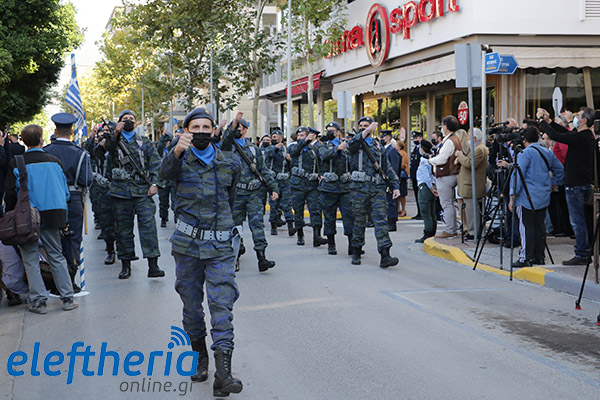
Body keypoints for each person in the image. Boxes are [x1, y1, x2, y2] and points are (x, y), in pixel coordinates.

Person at [159, 107, 243, 397]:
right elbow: (163, 176)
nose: (201, 132)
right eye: (195, 128)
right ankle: (200, 357)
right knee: (192, 306)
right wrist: (176, 151)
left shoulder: (229, 161)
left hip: (220, 246)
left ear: (213, 130)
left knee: (222, 306)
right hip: (187, 246)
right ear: (186, 131)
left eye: (206, 127)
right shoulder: (179, 158)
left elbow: (231, 199)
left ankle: (224, 373)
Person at [5, 124, 78, 314]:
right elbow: (65, 193)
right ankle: (67, 297)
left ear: (23, 141)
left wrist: (11, 216)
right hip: (54, 213)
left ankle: (39, 302)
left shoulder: (17, 163)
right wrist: (65, 217)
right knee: (56, 256)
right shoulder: (54, 162)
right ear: (41, 140)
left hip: (28, 217)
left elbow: (11, 194)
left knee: (30, 258)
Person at [102, 109, 164, 279]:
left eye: (131, 118)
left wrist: (155, 184)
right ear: (119, 122)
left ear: (136, 123)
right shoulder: (114, 140)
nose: (129, 120)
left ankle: (153, 266)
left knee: (149, 228)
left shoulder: (144, 142)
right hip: (121, 193)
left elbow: (156, 164)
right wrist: (115, 132)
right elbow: (108, 147)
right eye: (125, 119)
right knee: (123, 230)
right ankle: (126, 265)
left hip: (143, 191)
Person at [538, 107, 595, 265]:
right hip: (582, 184)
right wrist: (549, 121)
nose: (575, 117)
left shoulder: (581, 137)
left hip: (575, 186)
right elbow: (564, 133)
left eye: (578, 116)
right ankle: (587, 250)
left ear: (584, 120)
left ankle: (582, 253)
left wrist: (542, 121)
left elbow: (557, 136)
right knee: (585, 221)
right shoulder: (585, 136)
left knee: (578, 222)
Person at [221, 116, 279, 272]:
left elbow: (263, 170)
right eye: (234, 127)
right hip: (235, 194)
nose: (236, 129)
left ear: (245, 130)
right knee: (235, 226)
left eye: (239, 127)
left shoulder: (253, 148)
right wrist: (230, 126)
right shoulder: (227, 146)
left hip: (253, 193)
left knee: (257, 225)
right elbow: (226, 138)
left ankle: (262, 258)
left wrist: (273, 188)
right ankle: (236, 256)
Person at [43, 113, 93, 289]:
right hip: (73, 199)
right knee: (72, 239)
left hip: (49, 200)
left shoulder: (45, 152)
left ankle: (55, 279)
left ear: (55, 131)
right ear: (72, 132)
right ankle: (70, 280)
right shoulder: (81, 154)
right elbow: (86, 180)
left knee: (52, 239)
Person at [347, 117, 401, 267]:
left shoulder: (378, 145)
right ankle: (356, 251)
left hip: (377, 188)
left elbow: (386, 167)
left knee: (381, 221)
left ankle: (385, 255)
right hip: (359, 189)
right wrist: (366, 131)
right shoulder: (355, 143)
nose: (363, 128)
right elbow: (350, 145)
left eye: (366, 125)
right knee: (358, 221)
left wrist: (395, 185)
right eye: (361, 126)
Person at [509, 127, 564, 267]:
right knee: (540, 226)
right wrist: (553, 183)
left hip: (526, 196)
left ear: (524, 140)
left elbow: (518, 176)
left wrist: (512, 195)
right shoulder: (547, 152)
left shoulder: (525, 153)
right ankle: (539, 256)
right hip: (543, 195)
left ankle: (525, 257)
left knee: (526, 227)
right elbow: (560, 170)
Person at [318, 121, 354, 255]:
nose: (329, 132)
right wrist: (338, 148)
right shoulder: (323, 146)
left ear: (338, 132)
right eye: (327, 130)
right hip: (329, 188)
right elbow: (324, 155)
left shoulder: (347, 145)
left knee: (349, 216)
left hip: (345, 187)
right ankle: (331, 244)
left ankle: (352, 245)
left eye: (332, 130)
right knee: (329, 217)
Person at [289, 126, 328, 247]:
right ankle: (300, 235)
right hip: (297, 184)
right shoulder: (294, 147)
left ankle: (317, 236)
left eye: (302, 135)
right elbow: (294, 152)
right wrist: (304, 141)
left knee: (315, 209)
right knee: (298, 210)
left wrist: (321, 175)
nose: (300, 137)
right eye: (299, 135)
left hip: (312, 184)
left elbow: (321, 163)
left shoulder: (315, 148)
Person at [428, 116, 461, 238]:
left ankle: (450, 229)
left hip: (446, 175)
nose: (442, 127)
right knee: (450, 203)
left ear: (446, 126)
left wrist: (430, 160)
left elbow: (442, 159)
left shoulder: (449, 141)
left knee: (446, 204)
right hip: (451, 174)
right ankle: (452, 228)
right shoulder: (455, 139)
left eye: (442, 125)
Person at [455, 128, 489, 240]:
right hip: (469, 184)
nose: (467, 138)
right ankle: (472, 231)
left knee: (471, 211)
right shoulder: (475, 148)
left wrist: (460, 156)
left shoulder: (479, 149)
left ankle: (473, 232)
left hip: (472, 185)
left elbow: (470, 164)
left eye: (469, 136)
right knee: (469, 209)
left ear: (474, 138)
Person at [264, 130, 296, 237]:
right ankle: (273, 226)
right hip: (274, 181)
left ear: (281, 138)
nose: (273, 139)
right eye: (272, 137)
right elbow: (268, 154)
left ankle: (290, 226)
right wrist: (275, 148)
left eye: (275, 137)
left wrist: (289, 160)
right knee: (274, 204)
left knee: (287, 204)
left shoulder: (286, 149)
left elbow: (292, 165)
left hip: (285, 181)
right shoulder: (270, 148)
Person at [415, 140, 437, 242]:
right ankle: (432, 232)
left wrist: (432, 189)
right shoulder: (431, 159)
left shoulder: (424, 160)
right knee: (432, 212)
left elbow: (426, 177)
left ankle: (427, 233)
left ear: (422, 149)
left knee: (425, 211)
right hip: (431, 186)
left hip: (425, 187)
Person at [380, 130, 400, 232]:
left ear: (388, 138)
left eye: (383, 137)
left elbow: (394, 167)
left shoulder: (392, 151)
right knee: (386, 202)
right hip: (383, 180)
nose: (381, 139)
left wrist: (392, 180)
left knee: (391, 202)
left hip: (390, 180)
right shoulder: (383, 150)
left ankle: (392, 223)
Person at [157, 130, 176, 227]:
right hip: (163, 180)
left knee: (175, 201)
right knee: (163, 202)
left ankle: (177, 217)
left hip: (173, 180)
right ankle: (163, 218)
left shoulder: (174, 150)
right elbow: (159, 147)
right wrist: (162, 137)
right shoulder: (160, 152)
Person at [409, 131, 423, 220]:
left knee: (420, 195)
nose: (415, 140)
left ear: (421, 138)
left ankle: (422, 212)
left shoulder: (422, 148)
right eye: (414, 138)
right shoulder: (415, 148)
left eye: (416, 138)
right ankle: (419, 212)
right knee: (417, 195)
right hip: (414, 176)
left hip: (419, 176)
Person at [396, 141, 409, 217]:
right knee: (397, 193)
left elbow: (404, 165)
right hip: (397, 175)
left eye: (397, 145)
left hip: (402, 175)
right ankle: (398, 209)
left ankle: (403, 209)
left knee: (402, 194)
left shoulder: (403, 154)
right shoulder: (395, 152)